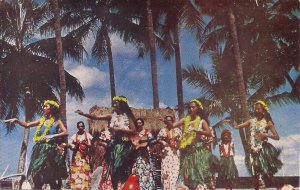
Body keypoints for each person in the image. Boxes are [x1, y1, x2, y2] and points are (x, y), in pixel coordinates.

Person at [75, 95, 136, 190]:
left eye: (116, 103)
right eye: (114, 103)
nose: (114, 104)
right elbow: (95, 117)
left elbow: (133, 131)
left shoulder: (128, 117)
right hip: (114, 145)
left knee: (121, 167)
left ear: (122, 104)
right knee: (112, 168)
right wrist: (83, 114)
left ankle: (124, 186)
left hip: (125, 146)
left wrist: (119, 130)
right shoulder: (112, 116)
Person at [6, 100, 68, 189]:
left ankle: (55, 181)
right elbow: (27, 124)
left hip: (51, 149)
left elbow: (66, 132)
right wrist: (17, 120)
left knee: (53, 169)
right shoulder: (41, 121)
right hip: (39, 148)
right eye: (44, 106)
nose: (44, 108)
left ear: (51, 109)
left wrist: (52, 136)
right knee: (36, 169)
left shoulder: (57, 122)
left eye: (46, 106)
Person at [234, 100, 282, 189]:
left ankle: (279, 187)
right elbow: (239, 126)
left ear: (263, 110)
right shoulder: (251, 121)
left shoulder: (268, 122)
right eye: (255, 109)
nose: (257, 110)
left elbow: (277, 137)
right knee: (255, 174)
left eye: (259, 108)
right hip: (253, 150)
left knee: (268, 173)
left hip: (263, 150)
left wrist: (265, 135)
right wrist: (236, 125)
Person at [167, 99, 212, 189]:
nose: (190, 109)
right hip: (187, 150)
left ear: (197, 109)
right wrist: (168, 121)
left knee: (197, 172)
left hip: (197, 151)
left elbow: (209, 133)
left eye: (193, 107)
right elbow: (172, 126)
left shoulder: (202, 121)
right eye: (189, 107)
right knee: (186, 173)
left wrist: (198, 130)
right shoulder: (184, 120)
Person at [157, 115, 181, 190]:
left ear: (173, 121)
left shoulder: (177, 130)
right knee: (165, 171)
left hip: (175, 152)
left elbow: (181, 140)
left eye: (170, 120)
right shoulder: (163, 130)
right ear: (165, 122)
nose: (168, 121)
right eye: (167, 120)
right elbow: (158, 138)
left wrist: (177, 142)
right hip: (166, 153)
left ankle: (173, 188)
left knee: (174, 171)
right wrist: (163, 143)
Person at [131, 118, 155, 190]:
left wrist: (146, 144)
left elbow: (152, 142)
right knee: (136, 171)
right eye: (137, 123)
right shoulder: (134, 134)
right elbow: (132, 143)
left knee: (146, 171)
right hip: (136, 156)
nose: (139, 124)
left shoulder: (147, 133)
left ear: (142, 123)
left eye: (140, 123)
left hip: (144, 156)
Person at [69, 121, 93, 190]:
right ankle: (77, 187)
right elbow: (71, 146)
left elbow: (90, 145)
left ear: (84, 127)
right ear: (77, 127)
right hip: (77, 157)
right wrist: (76, 144)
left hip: (85, 157)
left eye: (82, 126)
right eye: (79, 126)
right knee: (77, 172)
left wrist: (85, 143)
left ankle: (85, 187)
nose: (80, 127)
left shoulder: (87, 135)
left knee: (85, 171)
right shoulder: (74, 136)